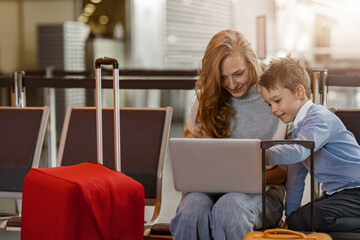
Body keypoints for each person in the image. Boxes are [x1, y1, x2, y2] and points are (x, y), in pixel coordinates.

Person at [170, 29, 288, 240]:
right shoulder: (208, 99)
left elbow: (286, 172)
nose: (231, 85)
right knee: (191, 210)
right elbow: (188, 158)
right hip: (208, 190)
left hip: (263, 194)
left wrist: (246, 179)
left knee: (229, 208)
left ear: (251, 63)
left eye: (238, 74)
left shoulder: (276, 99)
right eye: (222, 78)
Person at [260, 55, 360, 232]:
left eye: (277, 101)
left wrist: (262, 153)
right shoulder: (299, 131)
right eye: (269, 104)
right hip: (337, 194)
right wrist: (290, 215)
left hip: (356, 189)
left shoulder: (318, 118)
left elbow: (299, 151)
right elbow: (296, 177)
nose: (273, 109)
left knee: (315, 217)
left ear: (299, 92)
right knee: (297, 221)